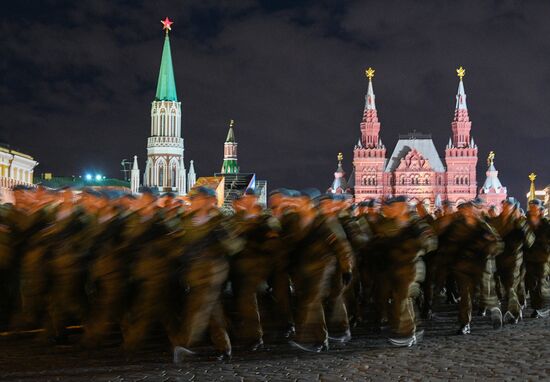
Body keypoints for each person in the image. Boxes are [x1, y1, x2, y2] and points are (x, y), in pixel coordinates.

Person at [441, 201, 503, 334]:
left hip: (481, 265)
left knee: (486, 292)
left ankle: (494, 311)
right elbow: (449, 243)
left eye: (470, 209)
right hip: (463, 266)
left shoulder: (483, 226)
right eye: (465, 210)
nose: (468, 212)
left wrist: (486, 251)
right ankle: (465, 323)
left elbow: (497, 244)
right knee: (465, 296)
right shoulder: (457, 226)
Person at [491, 198, 534, 323]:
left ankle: (515, 313)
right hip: (500, 259)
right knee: (506, 287)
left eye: (509, 205)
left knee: (510, 287)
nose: (505, 207)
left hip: (514, 258)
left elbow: (530, 241)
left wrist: (523, 229)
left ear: (513, 207)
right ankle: (512, 309)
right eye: (504, 205)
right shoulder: (497, 221)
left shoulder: (519, 222)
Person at [524, 199, 550, 317]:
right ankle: (536, 306)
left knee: (539, 282)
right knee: (532, 283)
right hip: (529, 258)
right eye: (531, 207)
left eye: (535, 208)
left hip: (542, 258)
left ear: (540, 210)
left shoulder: (545, 224)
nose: (533, 210)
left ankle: (537, 308)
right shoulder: (525, 223)